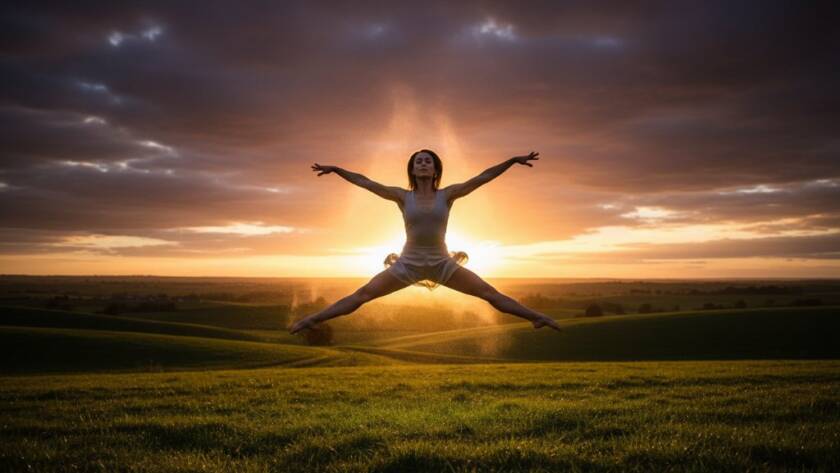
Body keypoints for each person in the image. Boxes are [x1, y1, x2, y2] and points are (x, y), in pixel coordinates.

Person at [288, 149, 562, 334]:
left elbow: (483, 177)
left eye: (427, 160)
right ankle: (315, 319)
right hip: (408, 264)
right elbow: (366, 182)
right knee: (362, 296)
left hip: (443, 263)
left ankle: (536, 317)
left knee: (489, 294)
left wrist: (512, 161)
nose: (422, 163)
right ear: (412, 169)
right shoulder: (401, 196)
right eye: (417, 160)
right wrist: (337, 169)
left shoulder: (448, 194)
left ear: (435, 171)